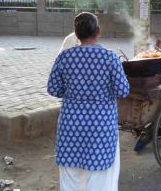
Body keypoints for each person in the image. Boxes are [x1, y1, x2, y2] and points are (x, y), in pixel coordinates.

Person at [47, 12, 130, 191]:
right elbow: (123, 91)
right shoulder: (110, 58)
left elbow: (53, 88)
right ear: (98, 31)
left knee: (70, 176)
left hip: (71, 126)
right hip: (101, 127)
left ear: (76, 34)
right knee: (100, 178)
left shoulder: (65, 57)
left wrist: (72, 94)